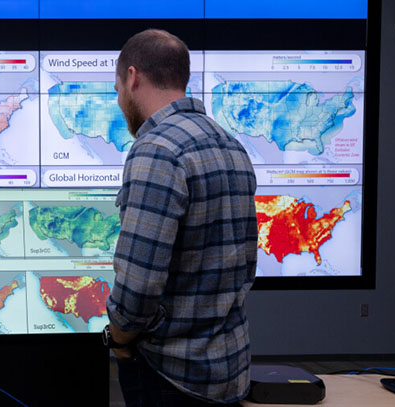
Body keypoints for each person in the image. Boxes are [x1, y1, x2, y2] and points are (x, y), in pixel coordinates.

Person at [104, 29, 258, 406]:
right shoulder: (230, 144)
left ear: (133, 77)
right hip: (228, 372)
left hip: (171, 377)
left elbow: (138, 287)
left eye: (118, 87)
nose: (120, 98)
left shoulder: (157, 150)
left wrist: (119, 340)